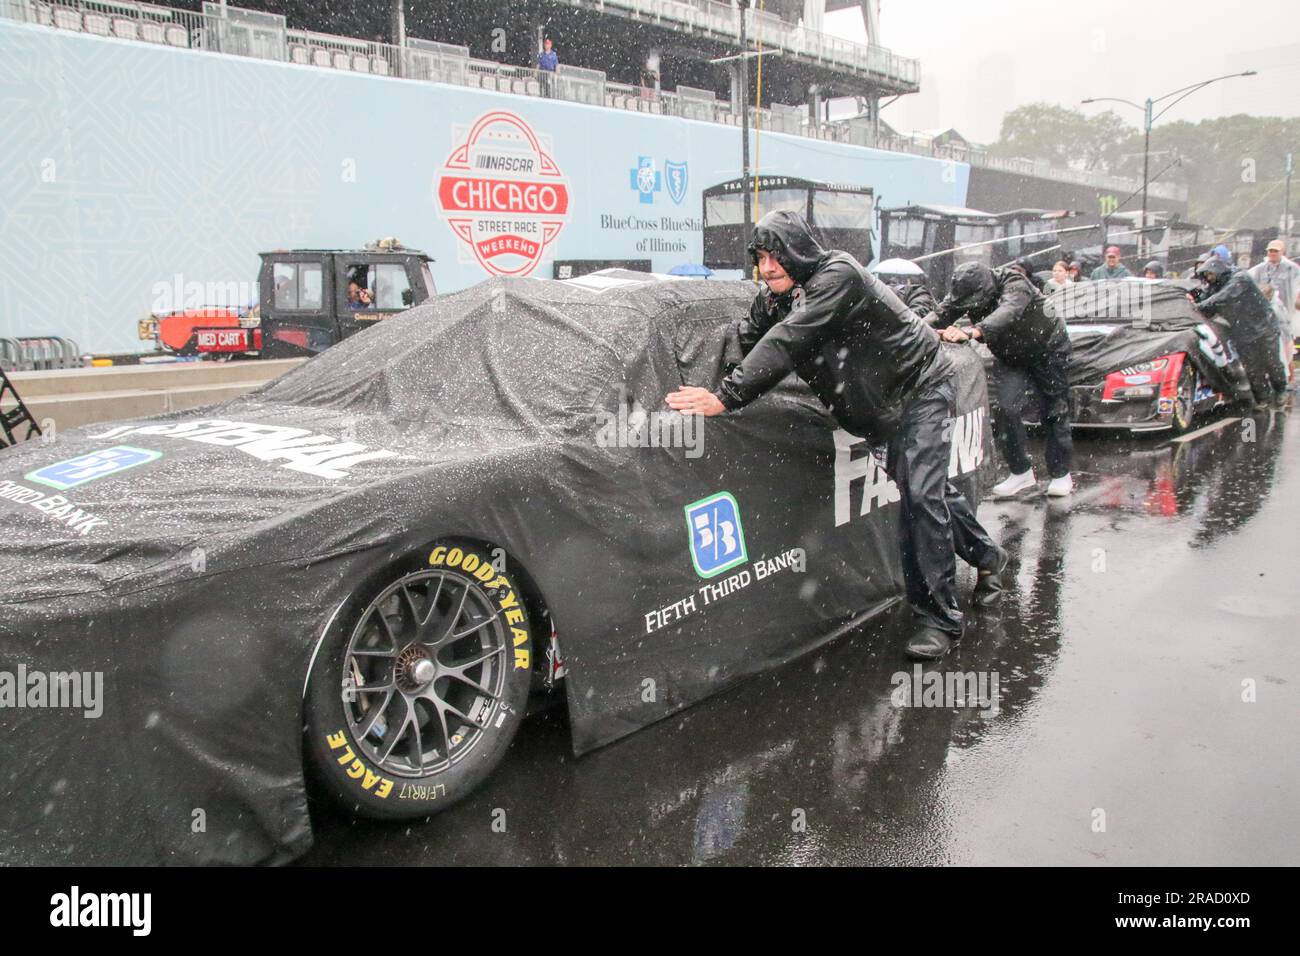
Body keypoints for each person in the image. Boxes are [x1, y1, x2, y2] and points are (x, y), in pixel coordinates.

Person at [664, 210, 1007, 662]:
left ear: (800, 249)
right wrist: (706, 380)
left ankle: (938, 619)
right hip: (876, 412)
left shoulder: (838, 273)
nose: (767, 268)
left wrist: (726, 397)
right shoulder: (773, 300)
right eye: (760, 258)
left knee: (922, 499)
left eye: (776, 256)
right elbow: (749, 341)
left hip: (920, 387)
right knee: (928, 492)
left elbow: (787, 340)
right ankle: (989, 557)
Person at [931, 261, 1074, 498]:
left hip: (1048, 350)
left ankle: (1060, 473)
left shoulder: (1015, 283)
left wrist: (972, 332)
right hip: (1011, 356)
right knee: (1006, 409)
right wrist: (915, 329)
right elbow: (942, 313)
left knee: (1053, 411)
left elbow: (1008, 311)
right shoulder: (965, 291)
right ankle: (1021, 472)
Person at [1190, 257, 1288, 410]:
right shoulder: (1215, 286)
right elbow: (1206, 301)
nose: (1209, 279)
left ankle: (1280, 389)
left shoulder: (1240, 278)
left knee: (1271, 362)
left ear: (1218, 270)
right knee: (1252, 367)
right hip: (1242, 331)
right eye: (1206, 276)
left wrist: (1199, 305)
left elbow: (1224, 296)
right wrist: (1193, 299)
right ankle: (1262, 397)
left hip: (1264, 327)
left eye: (1210, 274)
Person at [1249, 239, 1299, 343]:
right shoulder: (1259, 269)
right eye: (1270, 251)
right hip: (1264, 310)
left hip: (1286, 309)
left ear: (1282, 252)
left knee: (1285, 336)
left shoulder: (1292, 268)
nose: (1272, 253)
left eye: (1276, 251)